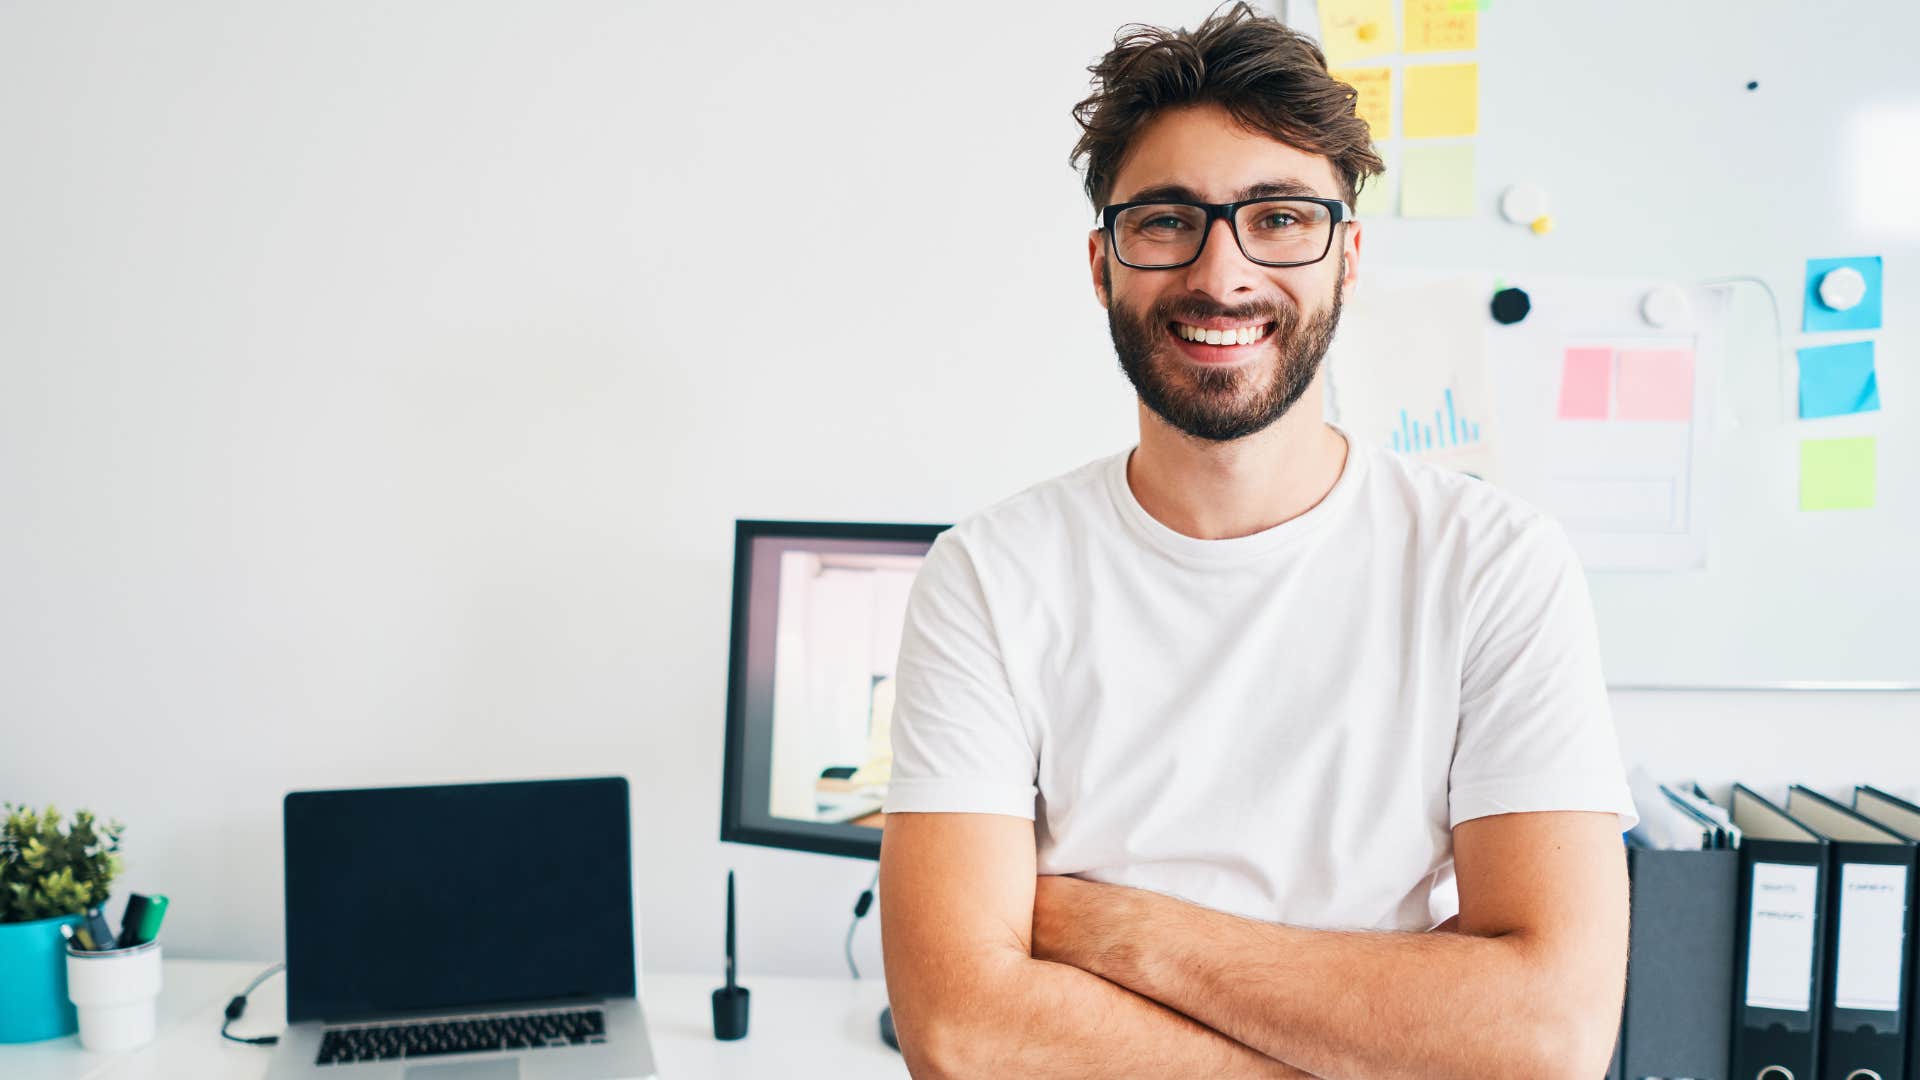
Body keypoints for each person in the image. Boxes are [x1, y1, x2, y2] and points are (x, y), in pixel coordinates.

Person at [875, 4, 1638, 1078]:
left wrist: (1116, 930)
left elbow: (1546, 1035)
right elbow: (962, 1031)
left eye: (1279, 218)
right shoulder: (991, 577)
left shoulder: (1494, 567)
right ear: (1103, 263)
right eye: (1166, 220)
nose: (1223, 275)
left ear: (1348, 257)